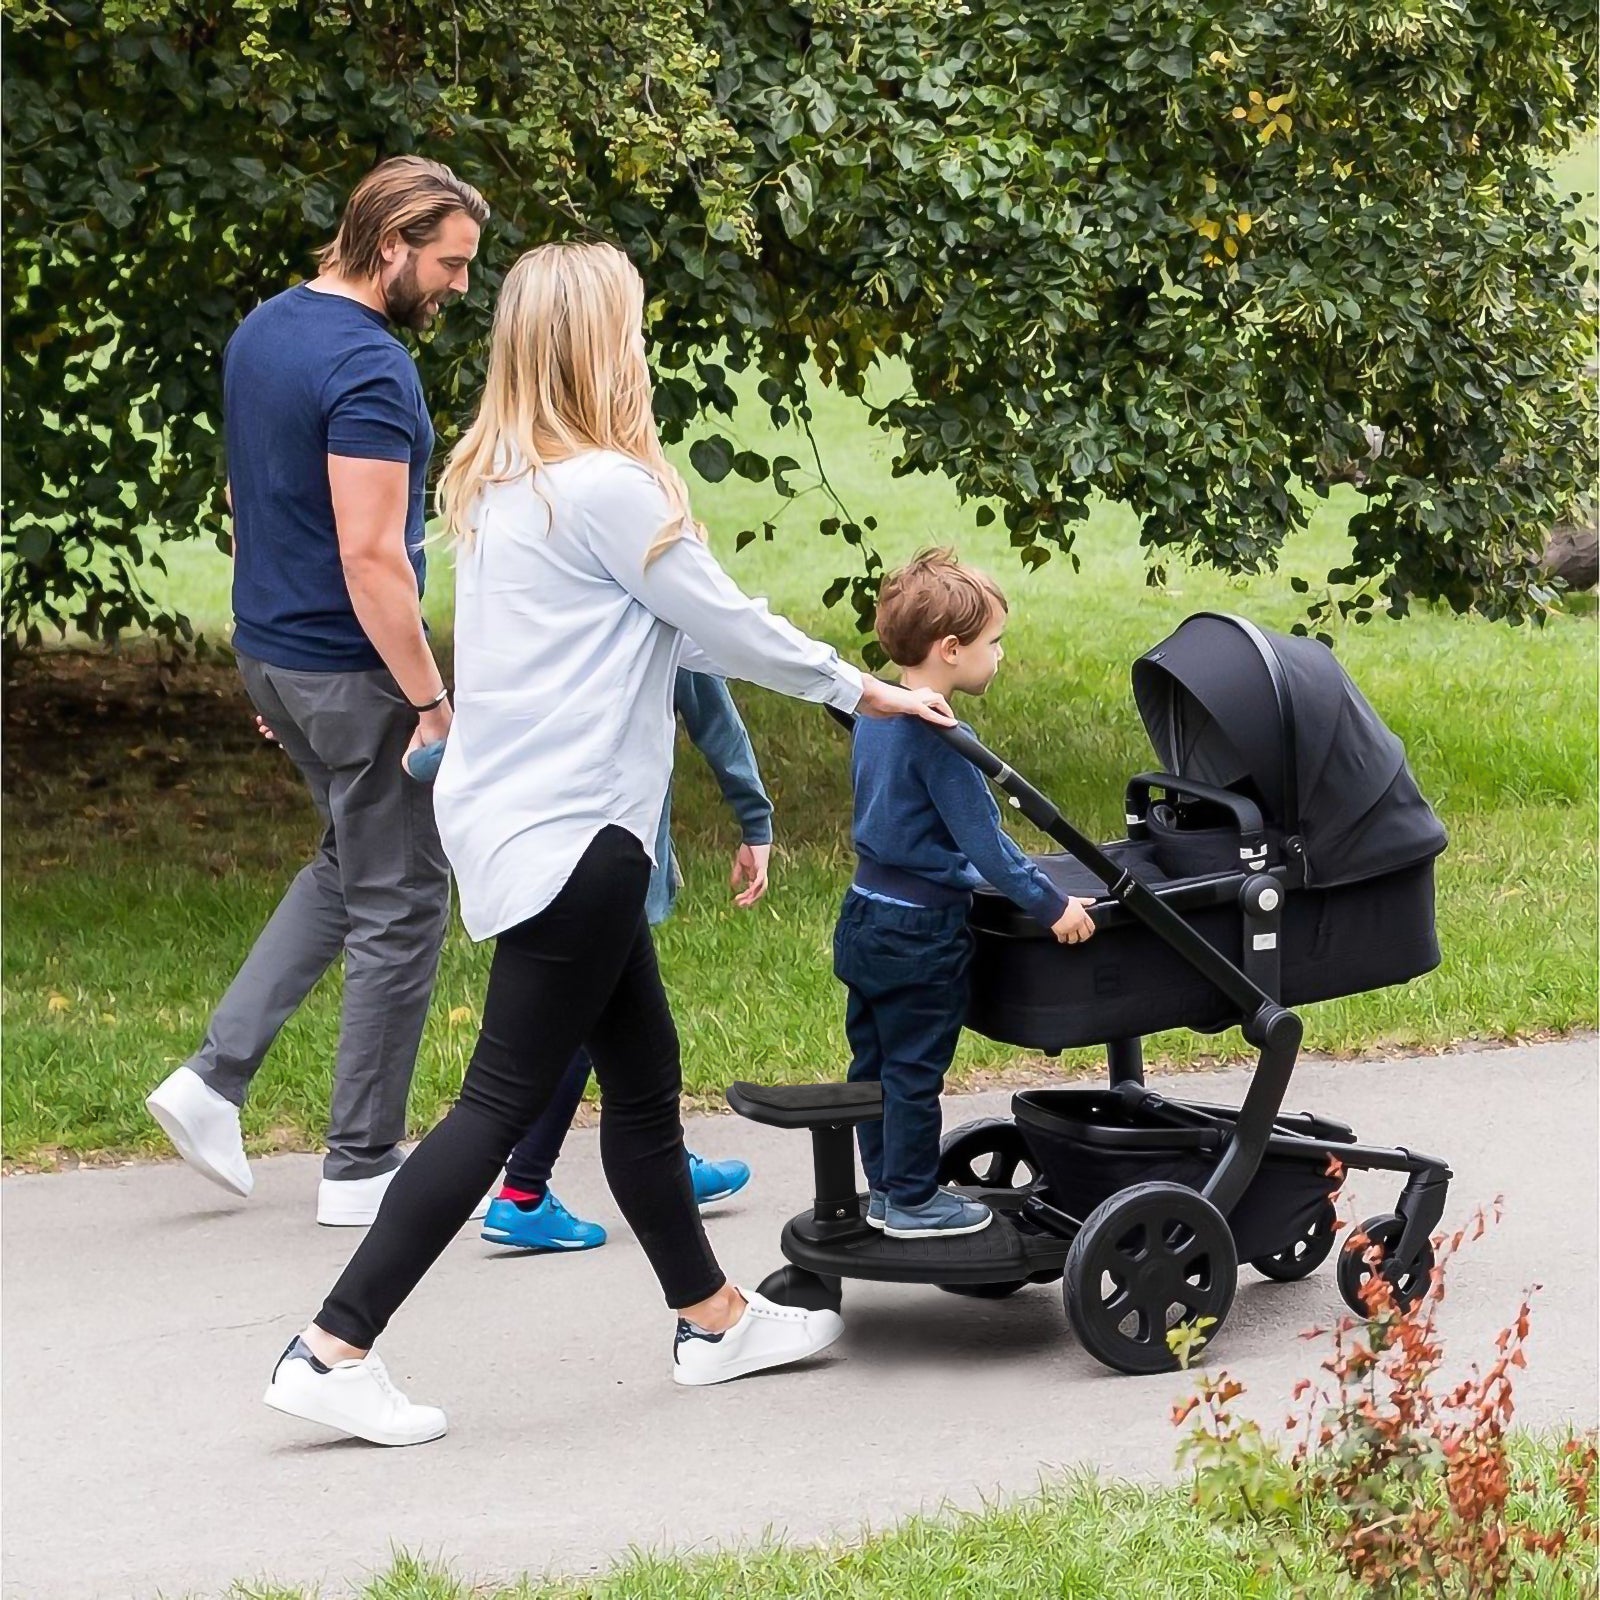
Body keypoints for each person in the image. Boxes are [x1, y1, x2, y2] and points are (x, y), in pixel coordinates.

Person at [262, 239, 956, 1448]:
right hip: (579, 835)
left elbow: (659, 637)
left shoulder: (497, 483)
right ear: (597, 346)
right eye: (630, 327)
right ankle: (333, 1344)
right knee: (493, 1107)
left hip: (523, 822)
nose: (639, 345)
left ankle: (713, 1319)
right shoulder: (608, 491)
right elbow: (722, 624)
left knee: (642, 1091)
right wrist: (861, 689)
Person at [145, 157, 490, 1227]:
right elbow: (374, 559)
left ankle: (211, 1081)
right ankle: (361, 1164)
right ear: (390, 244)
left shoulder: (265, 329)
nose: (458, 286)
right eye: (448, 263)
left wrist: (270, 658)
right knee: (403, 902)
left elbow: (248, 499)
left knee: (351, 861)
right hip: (353, 667)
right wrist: (430, 700)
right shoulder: (370, 368)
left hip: (281, 655)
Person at [836, 549, 1096, 1240]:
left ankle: (889, 1191)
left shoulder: (874, 712)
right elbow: (988, 846)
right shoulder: (944, 736)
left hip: (863, 915)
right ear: (951, 650)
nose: (1000, 656)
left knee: (876, 1064)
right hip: (921, 931)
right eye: (994, 643)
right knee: (916, 1069)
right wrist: (1053, 906)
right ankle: (917, 1202)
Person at [482, 667, 767, 1252]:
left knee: (609, 1023)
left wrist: (416, 745)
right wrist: (753, 816)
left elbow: (488, 731)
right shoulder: (649, 596)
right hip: (610, 856)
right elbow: (712, 712)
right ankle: (525, 1191)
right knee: (585, 1029)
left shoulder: (539, 606)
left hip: (538, 852)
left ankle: (654, 1158)